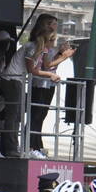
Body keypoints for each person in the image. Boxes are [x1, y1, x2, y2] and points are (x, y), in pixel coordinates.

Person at [20, 15, 75, 159]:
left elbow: (50, 62)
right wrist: (64, 56)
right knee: (36, 115)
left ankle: (36, 145)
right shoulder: (38, 44)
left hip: (48, 83)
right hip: (39, 82)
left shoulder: (47, 46)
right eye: (53, 24)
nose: (53, 42)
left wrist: (60, 53)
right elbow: (47, 65)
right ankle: (30, 146)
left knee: (42, 115)